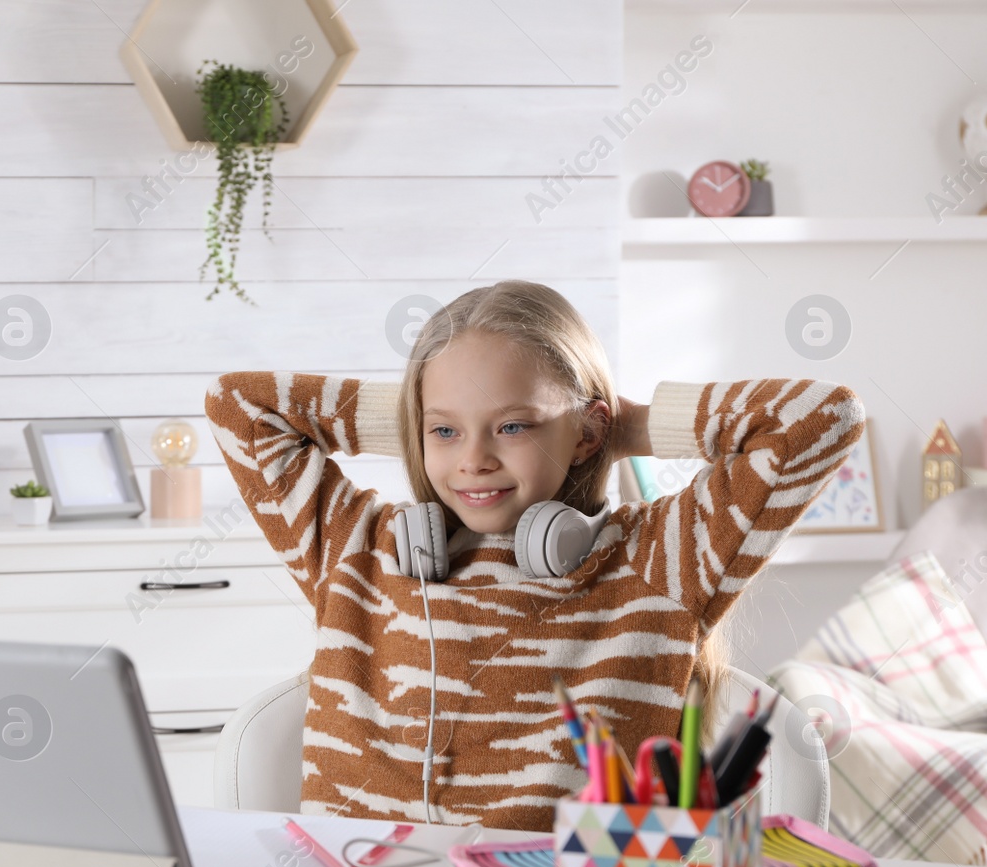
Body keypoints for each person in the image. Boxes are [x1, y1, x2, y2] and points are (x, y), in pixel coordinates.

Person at [204, 280, 865, 830]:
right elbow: (237, 405)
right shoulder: (359, 552)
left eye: (512, 425)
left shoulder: (660, 559)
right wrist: (415, 407)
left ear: (586, 429)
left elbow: (818, 417)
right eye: (445, 430)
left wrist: (619, 429)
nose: (473, 459)